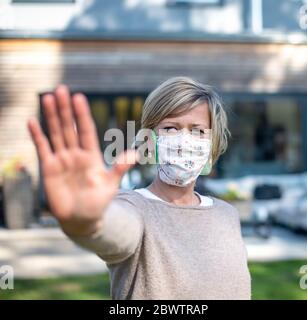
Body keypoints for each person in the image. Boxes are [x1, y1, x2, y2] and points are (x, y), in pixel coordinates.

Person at [27, 76, 251, 300]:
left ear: (211, 142)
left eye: (198, 131)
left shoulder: (226, 214)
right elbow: (115, 230)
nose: (184, 141)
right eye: (171, 128)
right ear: (149, 139)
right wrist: (88, 221)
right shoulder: (134, 207)